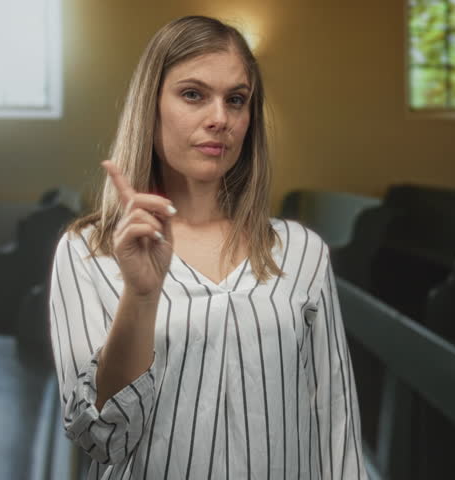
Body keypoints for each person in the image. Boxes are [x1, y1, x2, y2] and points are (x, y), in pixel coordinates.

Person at [48, 15, 366, 480]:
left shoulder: (302, 253)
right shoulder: (89, 252)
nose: (220, 119)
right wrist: (140, 297)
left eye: (236, 100)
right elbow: (101, 439)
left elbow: (337, 425)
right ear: (150, 105)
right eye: (193, 94)